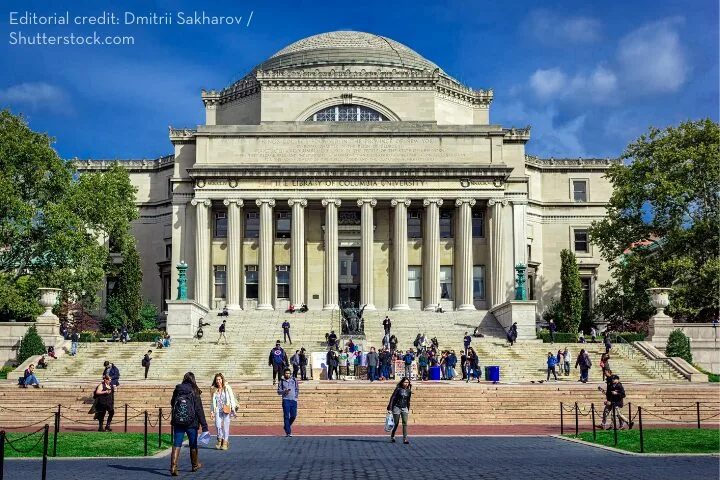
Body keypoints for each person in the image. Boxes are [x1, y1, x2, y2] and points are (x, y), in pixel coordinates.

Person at [170, 372, 209, 476]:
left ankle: (173, 466)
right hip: (192, 422)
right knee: (193, 444)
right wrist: (204, 426)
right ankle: (194, 465)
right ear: (193, 379)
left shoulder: (178, 389)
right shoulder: (194, 391)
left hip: (178, 421)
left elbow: (172, 403)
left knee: (177, 443)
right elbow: (199, 409)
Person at [210, 372, 237, 450]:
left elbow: (231, 397)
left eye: (219, 379)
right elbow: (212, 402)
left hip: (226, 408)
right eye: (217, 380)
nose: (218, 381)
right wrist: (212, 411)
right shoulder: (214, 389)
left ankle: (225, 441)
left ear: (222, 379)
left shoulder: (227, 387)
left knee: (226, 426)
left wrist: (233, 409)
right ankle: (220, 438)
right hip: (218, 409)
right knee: (217, 425)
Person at [387, 377, 412, 444]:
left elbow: (408, 400)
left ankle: (405, 439)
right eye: (405, 382)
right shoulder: (398, 389)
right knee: (396, 423)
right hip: (397, 407)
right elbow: (392, 398)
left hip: (404, 408)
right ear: (402, 382)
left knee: (405, 423)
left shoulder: (409, 391)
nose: (406, 384)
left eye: (407, 382)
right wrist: (390, 408)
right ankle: (392, 436)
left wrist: (408, 408)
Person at [277, 368, 299, 437]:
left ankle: (286, 426)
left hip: (293, 400)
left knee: (293, 415)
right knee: (286, 416)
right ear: (284, 374)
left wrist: (296, 397)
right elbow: (278, 391)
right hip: (286, 400)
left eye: (288, 373)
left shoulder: (294, 380)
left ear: (290, 374)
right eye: (286, 373)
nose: (287, 374)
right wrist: (284, 391)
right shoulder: (281, 381)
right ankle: (288, 432)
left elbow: (297, 389)